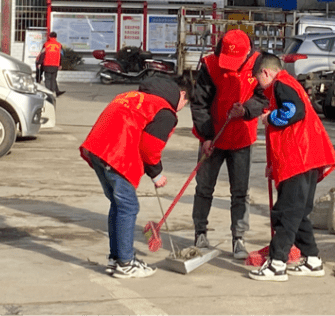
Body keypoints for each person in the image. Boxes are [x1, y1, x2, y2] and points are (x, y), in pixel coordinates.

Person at [79, 74, 191, 279]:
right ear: (181, 95)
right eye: (185, 101)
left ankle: (117, 257)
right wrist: (157, 175)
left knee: (118, 205)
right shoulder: (164, 111)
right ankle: (125, 263)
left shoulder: (131, 96)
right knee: (128, 208)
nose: (182, 106)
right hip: (116, 154)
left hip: (96, 150)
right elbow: (150, 146)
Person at [248, 52, 335, 281]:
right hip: (307, 157)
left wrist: (270, 118)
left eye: (257, 78)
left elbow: (294, 112)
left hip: (299, 158)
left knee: (286, 213)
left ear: (266, 72)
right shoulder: (289, 83)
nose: (258, 84)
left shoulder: (281, 85)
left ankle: (277, 264)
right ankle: (313, 260)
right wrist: (272, 164)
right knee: (298, 213)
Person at [190, 29, 269, 260]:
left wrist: (246, 110)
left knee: (240, 191)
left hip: (242, 138)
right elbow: (199, 104)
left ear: (247, 54)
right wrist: (205, 137)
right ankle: (200, 233)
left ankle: (239, 238)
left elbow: (264, 97)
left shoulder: (258, 65)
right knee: (204, 187)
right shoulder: (210, 65)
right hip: (213, 138)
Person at [39, 32, 64, 96]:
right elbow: (61, 55)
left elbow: (42, 54)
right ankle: (53, 91)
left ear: (49, 37)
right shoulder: (59, 45)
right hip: (55, 64)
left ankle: (48, 92)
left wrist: (39, 63)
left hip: (47, 64)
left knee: (47, 79)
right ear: (56, 37)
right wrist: (60, 64)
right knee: (53, 78)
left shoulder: (46, 44)